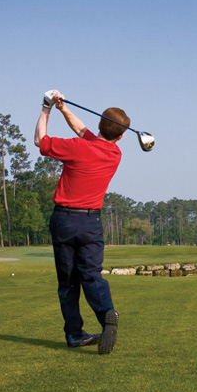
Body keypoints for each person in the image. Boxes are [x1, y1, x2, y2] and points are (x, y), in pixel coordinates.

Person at [33, 90, 124, 354]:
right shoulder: (114, 154)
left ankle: (74, 334)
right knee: (91, 275)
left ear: (99, 125)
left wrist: (46, 108)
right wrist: (63, 109)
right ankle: (107, 313)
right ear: (120, 136)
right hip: (90, 223)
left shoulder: (77, 147)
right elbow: (83, 130)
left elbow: (41, 140)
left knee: (68, 283)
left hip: (63, 220)